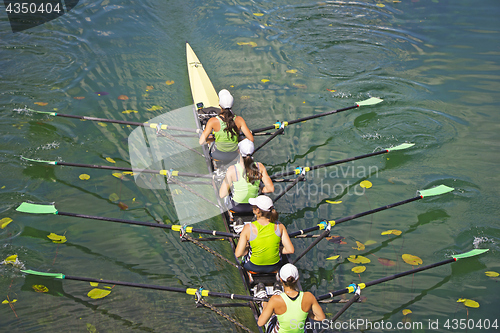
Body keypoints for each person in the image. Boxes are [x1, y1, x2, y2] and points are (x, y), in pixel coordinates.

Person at [258, 263, 326, 333]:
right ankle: (276, 293)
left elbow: (261, 323)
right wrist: (305, 313)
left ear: (281, 279)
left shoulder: (275, 300)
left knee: (273, 315)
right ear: (298, 278)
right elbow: (321, 317)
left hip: (277, 313)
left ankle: (264, 302)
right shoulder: (309, 296)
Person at [235, 195, 294, 274]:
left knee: (245, 252)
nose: (252, 207)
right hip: (275, 266)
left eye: (253, 206)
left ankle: (239, 231)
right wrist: (278, 249)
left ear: (258, 211)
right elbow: (290, 250)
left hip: (252, 266)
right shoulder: (280, 226)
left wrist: (247, 249)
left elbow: (238, 254)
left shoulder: (248, 228)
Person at [219, 139, 274, 214]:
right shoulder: (260, 167)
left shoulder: (232, 169)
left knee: (226, 187)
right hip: (253, 207)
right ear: (253, 152)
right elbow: (270, 189)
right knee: (258, 184)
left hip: (236, 208)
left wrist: (230, 187)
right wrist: (259, 189)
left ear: (238, 151)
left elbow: (222, 195)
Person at [198, 89, 253, 163]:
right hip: (234, 155)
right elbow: (251, 139)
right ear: (232, 105)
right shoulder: (239, 120)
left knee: (211, 138)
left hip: (217, 155)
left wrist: (212, 139)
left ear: (219, 105)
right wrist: (239, 140)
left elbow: (201, 142)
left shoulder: (212, 121)